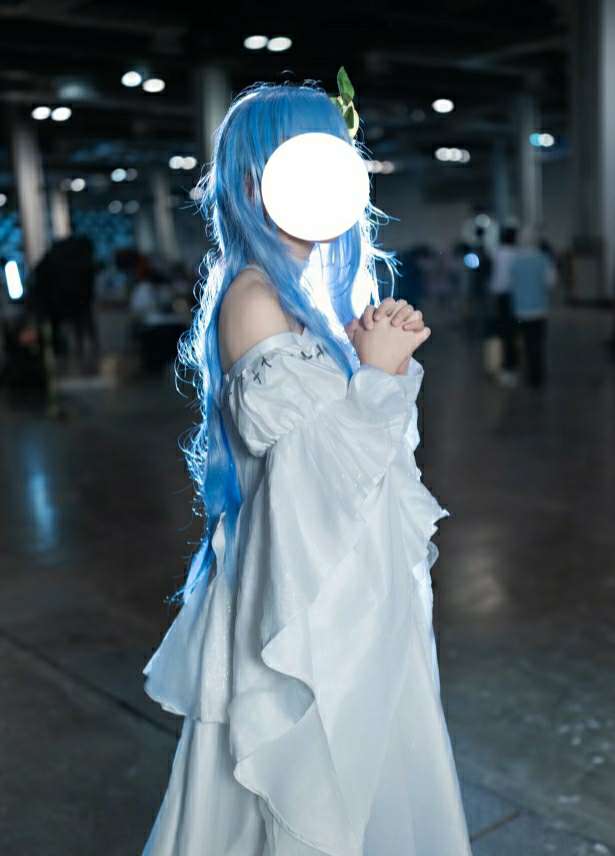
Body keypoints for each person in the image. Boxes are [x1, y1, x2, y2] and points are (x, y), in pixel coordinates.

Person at [140, 80, 472, 855]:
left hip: (343, 587)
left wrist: (378, 363)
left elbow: (358, 460)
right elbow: (304, 477)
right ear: (255, 179)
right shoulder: (254, 298)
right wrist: (377, 373)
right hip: (307, 598)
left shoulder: (306, 295)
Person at [508, 229, 557, 388]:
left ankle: (525, 372)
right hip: (539, 310)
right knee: (537, 344)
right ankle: (537, 376)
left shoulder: (516, 261)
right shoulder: (543, 259)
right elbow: (550, 282)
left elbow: (510, 284)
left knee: (524, 343)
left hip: (520, 310)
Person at [488, 225, 519, 386]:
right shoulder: (517, 254)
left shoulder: (497, 253)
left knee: (502, 332)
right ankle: (512, 364)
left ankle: (502, 365)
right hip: (514, 296)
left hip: (500, 296)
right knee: (512, 332)